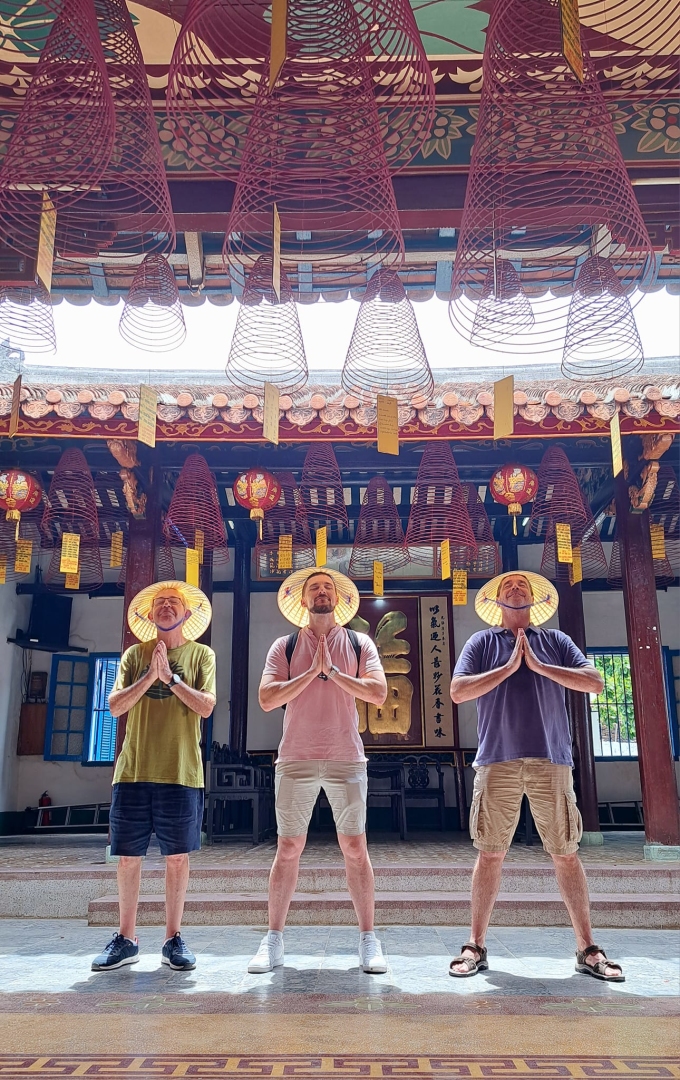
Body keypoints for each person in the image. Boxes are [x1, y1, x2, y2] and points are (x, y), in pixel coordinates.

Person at [448, 571, 625, 983]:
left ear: (534, 599)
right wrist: (509, 668)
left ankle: (586, 947)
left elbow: (595, 682)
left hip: (551, 758)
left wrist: (540, 666)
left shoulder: (557, 642)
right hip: (497, 759)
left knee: (565, 851)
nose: (515, 590)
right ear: (496, 601)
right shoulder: (482, 642)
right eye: (507, 587)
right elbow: (458, 691)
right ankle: (476, 943)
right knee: (490, 851)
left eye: (522, 587)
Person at [249, 567, 388, 975]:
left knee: (355, 850)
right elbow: (266, 698)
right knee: (288, 848)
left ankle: (367, 939)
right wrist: (311, 672)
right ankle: (273, 939)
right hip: (296, 756)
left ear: (338, 599)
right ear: (304, 601)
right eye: (315, 589)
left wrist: (337, 674)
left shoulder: (361, 644)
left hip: (346, 756)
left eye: (328, 587)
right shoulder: (286, 645)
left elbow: (378, 693)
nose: (322, 593)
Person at [91, 581, 216, 973]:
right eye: (158, 602)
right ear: (148, 615)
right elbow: (113, 706)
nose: (165, 606)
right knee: (127, 858)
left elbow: (207, 706)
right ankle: (126, 938)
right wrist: (150, 676)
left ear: (187, 613)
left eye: (173, 602)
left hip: (181, 770)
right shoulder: (133, 655)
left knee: (177, 857)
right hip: (133, 769)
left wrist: (173, 679)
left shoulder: (201, 655)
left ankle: (173, 938)